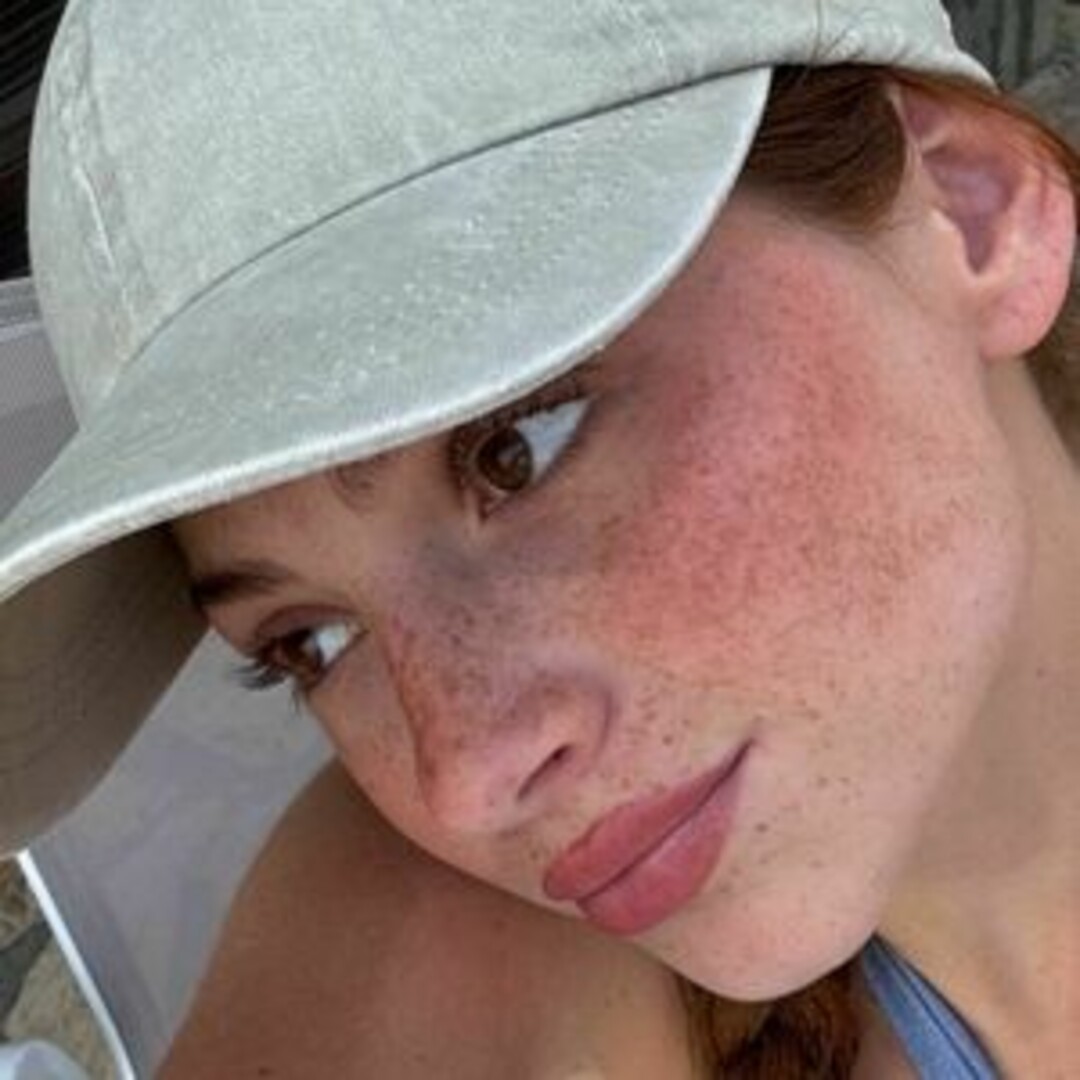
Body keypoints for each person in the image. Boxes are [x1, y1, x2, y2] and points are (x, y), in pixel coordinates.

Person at [1, 0, 1077, 1076]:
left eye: (515, 450)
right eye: (308, 642)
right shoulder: (417, 965)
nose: (464, 779)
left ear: (969, 205)